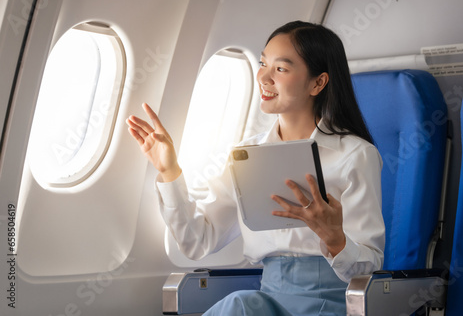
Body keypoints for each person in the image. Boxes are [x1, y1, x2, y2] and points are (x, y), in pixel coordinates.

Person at [127, 20, 385, 315]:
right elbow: (198, 241)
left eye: (281, 69)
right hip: (269, 300)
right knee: (241, 304)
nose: (264, 76)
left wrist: (335, 238)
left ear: (318, 83)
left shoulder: (355, 155)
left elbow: (368, 269)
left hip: (332, 304)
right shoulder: (246, 156)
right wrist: (169, 170)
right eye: (263, 63)